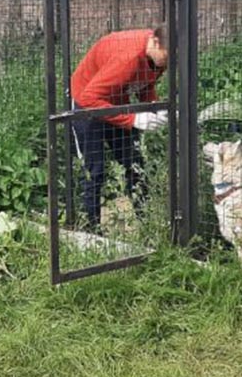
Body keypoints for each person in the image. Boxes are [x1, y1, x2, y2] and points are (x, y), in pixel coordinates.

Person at [70, 26, 170, 231]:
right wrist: (132, 119)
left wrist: (154, 106)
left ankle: (148, 223)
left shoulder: (158, 57)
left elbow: (144, 83)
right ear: (155, 42)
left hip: (116, 101)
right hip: (86, 105)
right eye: (168, 56)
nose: (170, 63)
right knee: (94, 170)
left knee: (135, 164)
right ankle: (91, 230)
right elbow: (90, 98)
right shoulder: (128, 58)